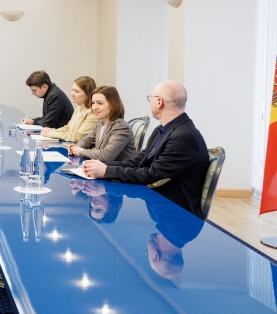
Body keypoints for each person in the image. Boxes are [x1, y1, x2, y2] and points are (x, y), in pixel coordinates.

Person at [83, 81, 210, 217]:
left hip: (175, 214)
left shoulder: (184, 136)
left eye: (151, 98)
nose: (150, 103)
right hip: (159, 206)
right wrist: (102, 166)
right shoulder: (162, 130)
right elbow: (138, 161)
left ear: (159, 102)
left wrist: (106, 171)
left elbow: (152, 174)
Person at [68, 86, 136, 162]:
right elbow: (87, 140)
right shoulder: (100, 123)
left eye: (100, 103)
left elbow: (106, 155)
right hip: (102, 167)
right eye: (93, 103)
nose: (94, 107)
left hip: (119, 168)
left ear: (112, 105)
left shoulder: (121, 127)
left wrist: (80, 151)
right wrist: (75, 147)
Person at [41, 76, 97, 142]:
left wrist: (51, 133)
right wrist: (51, 131)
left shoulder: (92, 113)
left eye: (76, 91)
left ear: (87, 94)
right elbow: (68, 128)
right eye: (72, 90)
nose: (72, 94)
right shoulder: (78, 108)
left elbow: (78, 136)